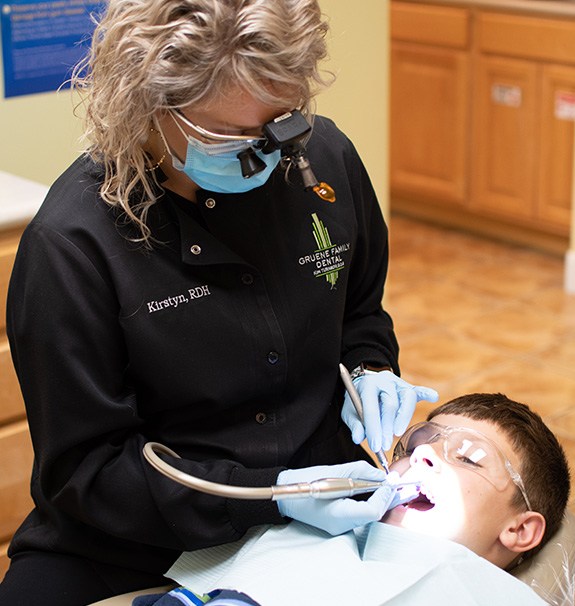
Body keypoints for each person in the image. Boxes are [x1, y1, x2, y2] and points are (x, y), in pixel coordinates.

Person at [0, 1, 438, 604]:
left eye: (282, 123)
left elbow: (359, 311)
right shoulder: (73, 247)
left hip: (320, 503)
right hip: (133, 538)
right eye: (230, 136)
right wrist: (270, 493)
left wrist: (371, 368)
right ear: (146, 105)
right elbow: (88, 473)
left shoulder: (324, 162)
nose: (267, 154)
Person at [141, 393, 570, 606]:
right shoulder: (293, 545)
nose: (422, 455)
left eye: (469, 457)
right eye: (418, 443)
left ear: (520, 529)